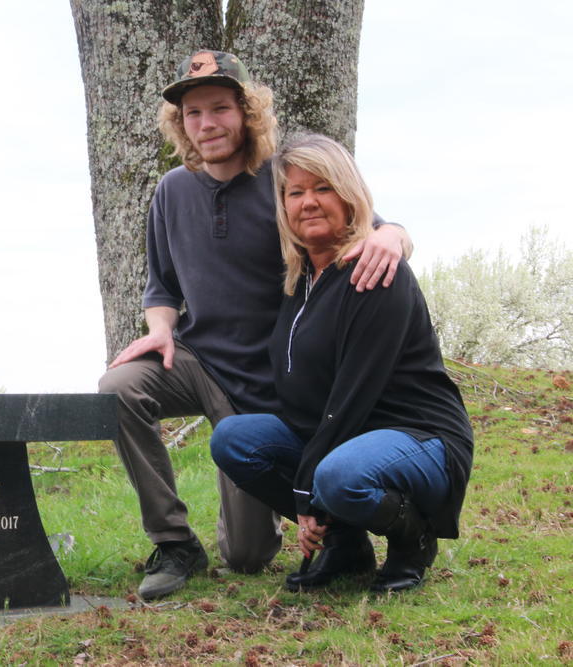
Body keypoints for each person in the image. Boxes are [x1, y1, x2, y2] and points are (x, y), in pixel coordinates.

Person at [98, 50, 413, 600]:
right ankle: (173, 542)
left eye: (220, 108)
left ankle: (310, 527)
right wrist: (160, 327)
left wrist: (394, 236)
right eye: (193, 114)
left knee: (246, 559)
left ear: (248, 113)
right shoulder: (171, 190)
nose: (207, 123)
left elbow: (371, 227)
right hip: (195, 359)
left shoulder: (283, 182)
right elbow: (162, 285)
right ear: (181, 123)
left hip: (268, 382)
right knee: (117, 388)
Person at [209, 134, 474, 592]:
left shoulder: (376, 272)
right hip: (342, 436)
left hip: (419, 437)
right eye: (295, 192)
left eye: (323, 188)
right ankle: (345, 545)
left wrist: (305, 491)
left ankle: (413, 539)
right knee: (234, 439)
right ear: (283, 206)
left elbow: (353, 396)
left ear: (350, 198)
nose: (308, 202)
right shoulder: (300, 282)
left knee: (338, 476)